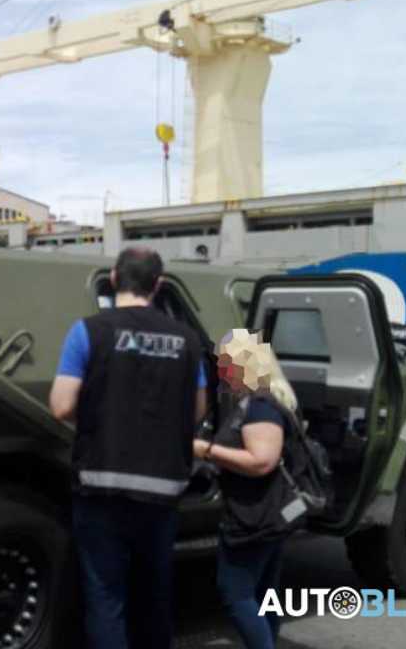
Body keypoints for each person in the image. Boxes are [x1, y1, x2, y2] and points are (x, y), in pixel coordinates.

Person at [48, 247, 208, 649]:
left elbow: (62, 405)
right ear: (158, 285)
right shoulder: (187, 340)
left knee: (106, 599)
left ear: (114, 279)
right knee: (154, 596)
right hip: (162, 491)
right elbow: (197, 411)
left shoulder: (88, 331)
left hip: (102, 488)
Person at [192, 329, 301, 649]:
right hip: (266, 512)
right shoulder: (261, 400)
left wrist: (206, 450)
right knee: (266, 593)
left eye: (226, 364)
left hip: (255, 515)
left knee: (235, 593)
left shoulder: (260, 406)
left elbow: (262, 461)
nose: (221, 371)